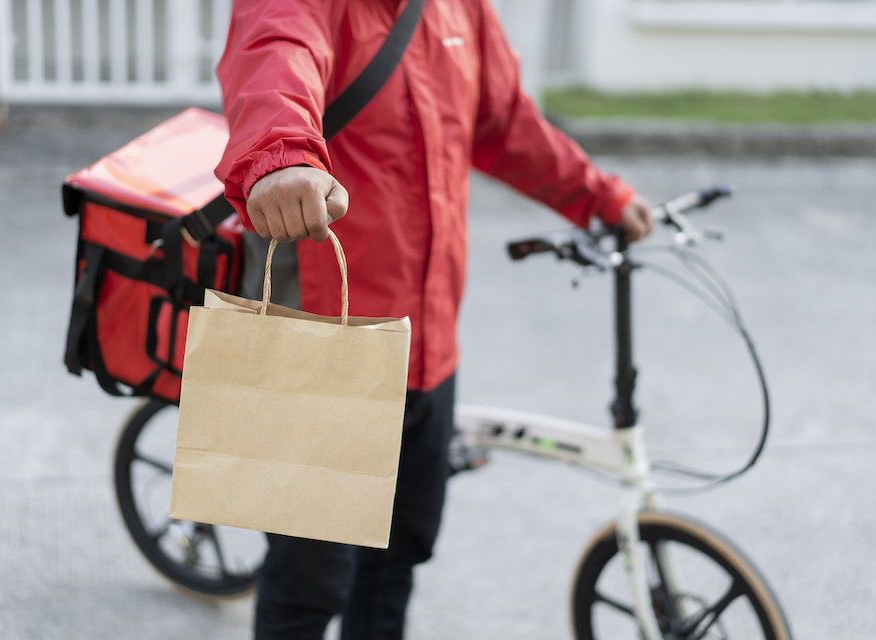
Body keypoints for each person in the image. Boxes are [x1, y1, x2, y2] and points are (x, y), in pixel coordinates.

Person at [213, 1, 653, 639]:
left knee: (397, 559)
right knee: (306, 587)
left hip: (429, 342)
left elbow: (503, 123)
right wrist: (280, 157)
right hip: (323, 334)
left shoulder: (458, 7)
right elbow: (277, 56)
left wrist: (598, 195)